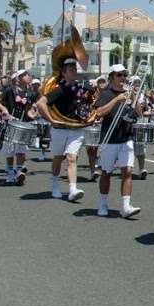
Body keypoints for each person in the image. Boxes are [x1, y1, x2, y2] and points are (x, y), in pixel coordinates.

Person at [34, 44, 92, 203]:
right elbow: (41, 103)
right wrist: (51, 119)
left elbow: (88, 106)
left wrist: (91, 96)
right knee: (58, 158)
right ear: (64, 73)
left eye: (75, 68)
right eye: (71, 69)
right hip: (60, 128)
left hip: (75, 129)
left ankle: (72, 189)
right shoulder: (59, 89)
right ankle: (54, 183)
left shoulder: (80, 89)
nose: (74, 71)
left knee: (72, 158)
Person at [92, 64, 142, 218]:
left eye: (124, 75)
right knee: (106, 173)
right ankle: (103, 203)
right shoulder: (106, 94)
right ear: (112, 77)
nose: (123, 78)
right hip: (109, 138)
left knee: (127, 171)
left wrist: (134, 97)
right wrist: (116, 100)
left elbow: (139, 114)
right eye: (119, 75)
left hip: (126, 137)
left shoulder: (128, 93)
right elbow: (98, 113)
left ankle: (126, 206)